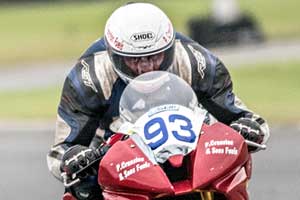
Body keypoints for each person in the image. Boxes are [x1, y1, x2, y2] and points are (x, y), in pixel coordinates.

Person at [47, 2, 270, 200]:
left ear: (170, 49)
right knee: (80, 189)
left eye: (155, 56)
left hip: (189, 143)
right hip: (112, 151)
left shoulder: (196, 62)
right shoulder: (89, 78)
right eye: (134, 60)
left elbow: (248, 118)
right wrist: (73, 158)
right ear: (114, 55)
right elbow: (59, 152)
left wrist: (249, 128)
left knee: (231, 168)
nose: (146, 67)